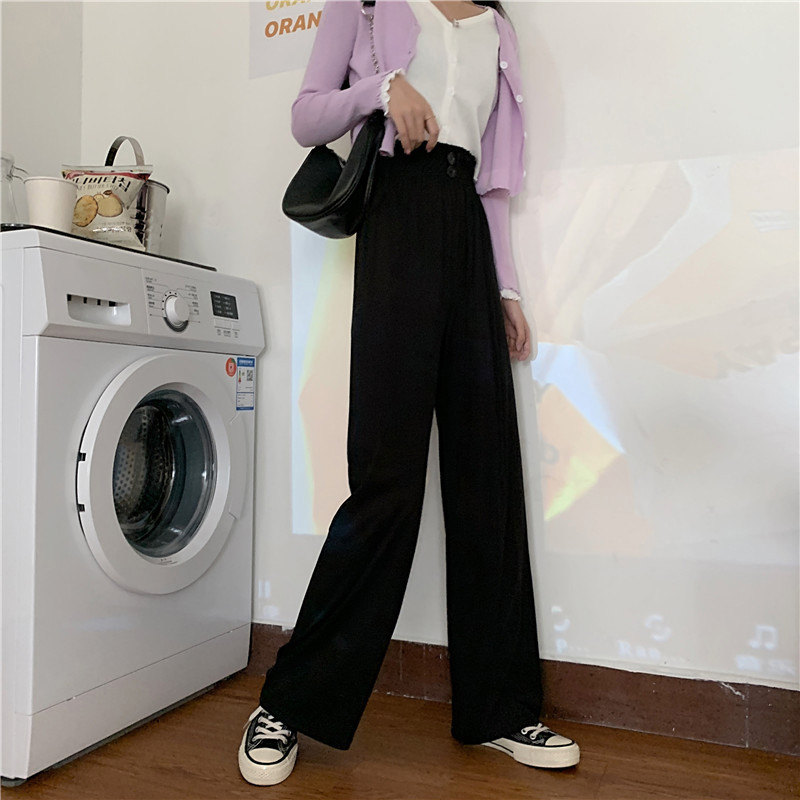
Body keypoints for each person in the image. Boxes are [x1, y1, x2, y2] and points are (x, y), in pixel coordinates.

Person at [238, 0, 580, 786]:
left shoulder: (496, 28)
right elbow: (305, 116)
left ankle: (499, 709)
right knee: (386, 480)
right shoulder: (365, 5)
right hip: (399, 215)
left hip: (468, 237)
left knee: (487, 475)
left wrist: (506, 289)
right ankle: (288, 704)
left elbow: (493, 186)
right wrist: (383, 89)